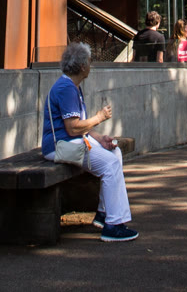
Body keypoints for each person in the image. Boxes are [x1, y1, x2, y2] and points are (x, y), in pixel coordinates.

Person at [44, 42, 137, 242]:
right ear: (82, 66)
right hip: (61, 146)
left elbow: (80, 127)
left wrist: (100, 138)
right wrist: (99, 117)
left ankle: (104, 214)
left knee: (114, 152)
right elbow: (72, 128)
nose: (91, 65)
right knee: (110, 164)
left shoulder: (72, 86)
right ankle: (113, 225)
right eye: (89, 61)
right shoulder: (66, 88)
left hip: (70, 142)